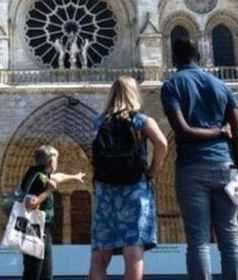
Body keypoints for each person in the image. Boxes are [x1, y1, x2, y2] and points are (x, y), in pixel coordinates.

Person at [160, 37, 238, 280]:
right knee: (231, 239)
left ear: (174, 58)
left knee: (198, 241)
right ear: (199, 56)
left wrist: (217, 132)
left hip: (191, 168)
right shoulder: (221, 86)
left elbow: (183, 130)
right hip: (224, 166)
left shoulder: (172, 86)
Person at [89, 76, 168, 280]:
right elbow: (162, 143)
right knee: (133, 255)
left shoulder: (98, 122)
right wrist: (152, 171)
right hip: (135, 189)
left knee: (99, 257)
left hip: (106, 191)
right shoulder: (140, 120)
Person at [21, 146, 86, 280]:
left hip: (45, 230)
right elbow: (30, 205)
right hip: (33, 229)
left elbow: (58, 177)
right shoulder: (37, 178)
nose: (57, 162)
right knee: (33, 274)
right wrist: (48, 191)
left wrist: (75, 176)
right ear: (50, 160)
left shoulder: (43, 174)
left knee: (46, 274)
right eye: (56, 159)